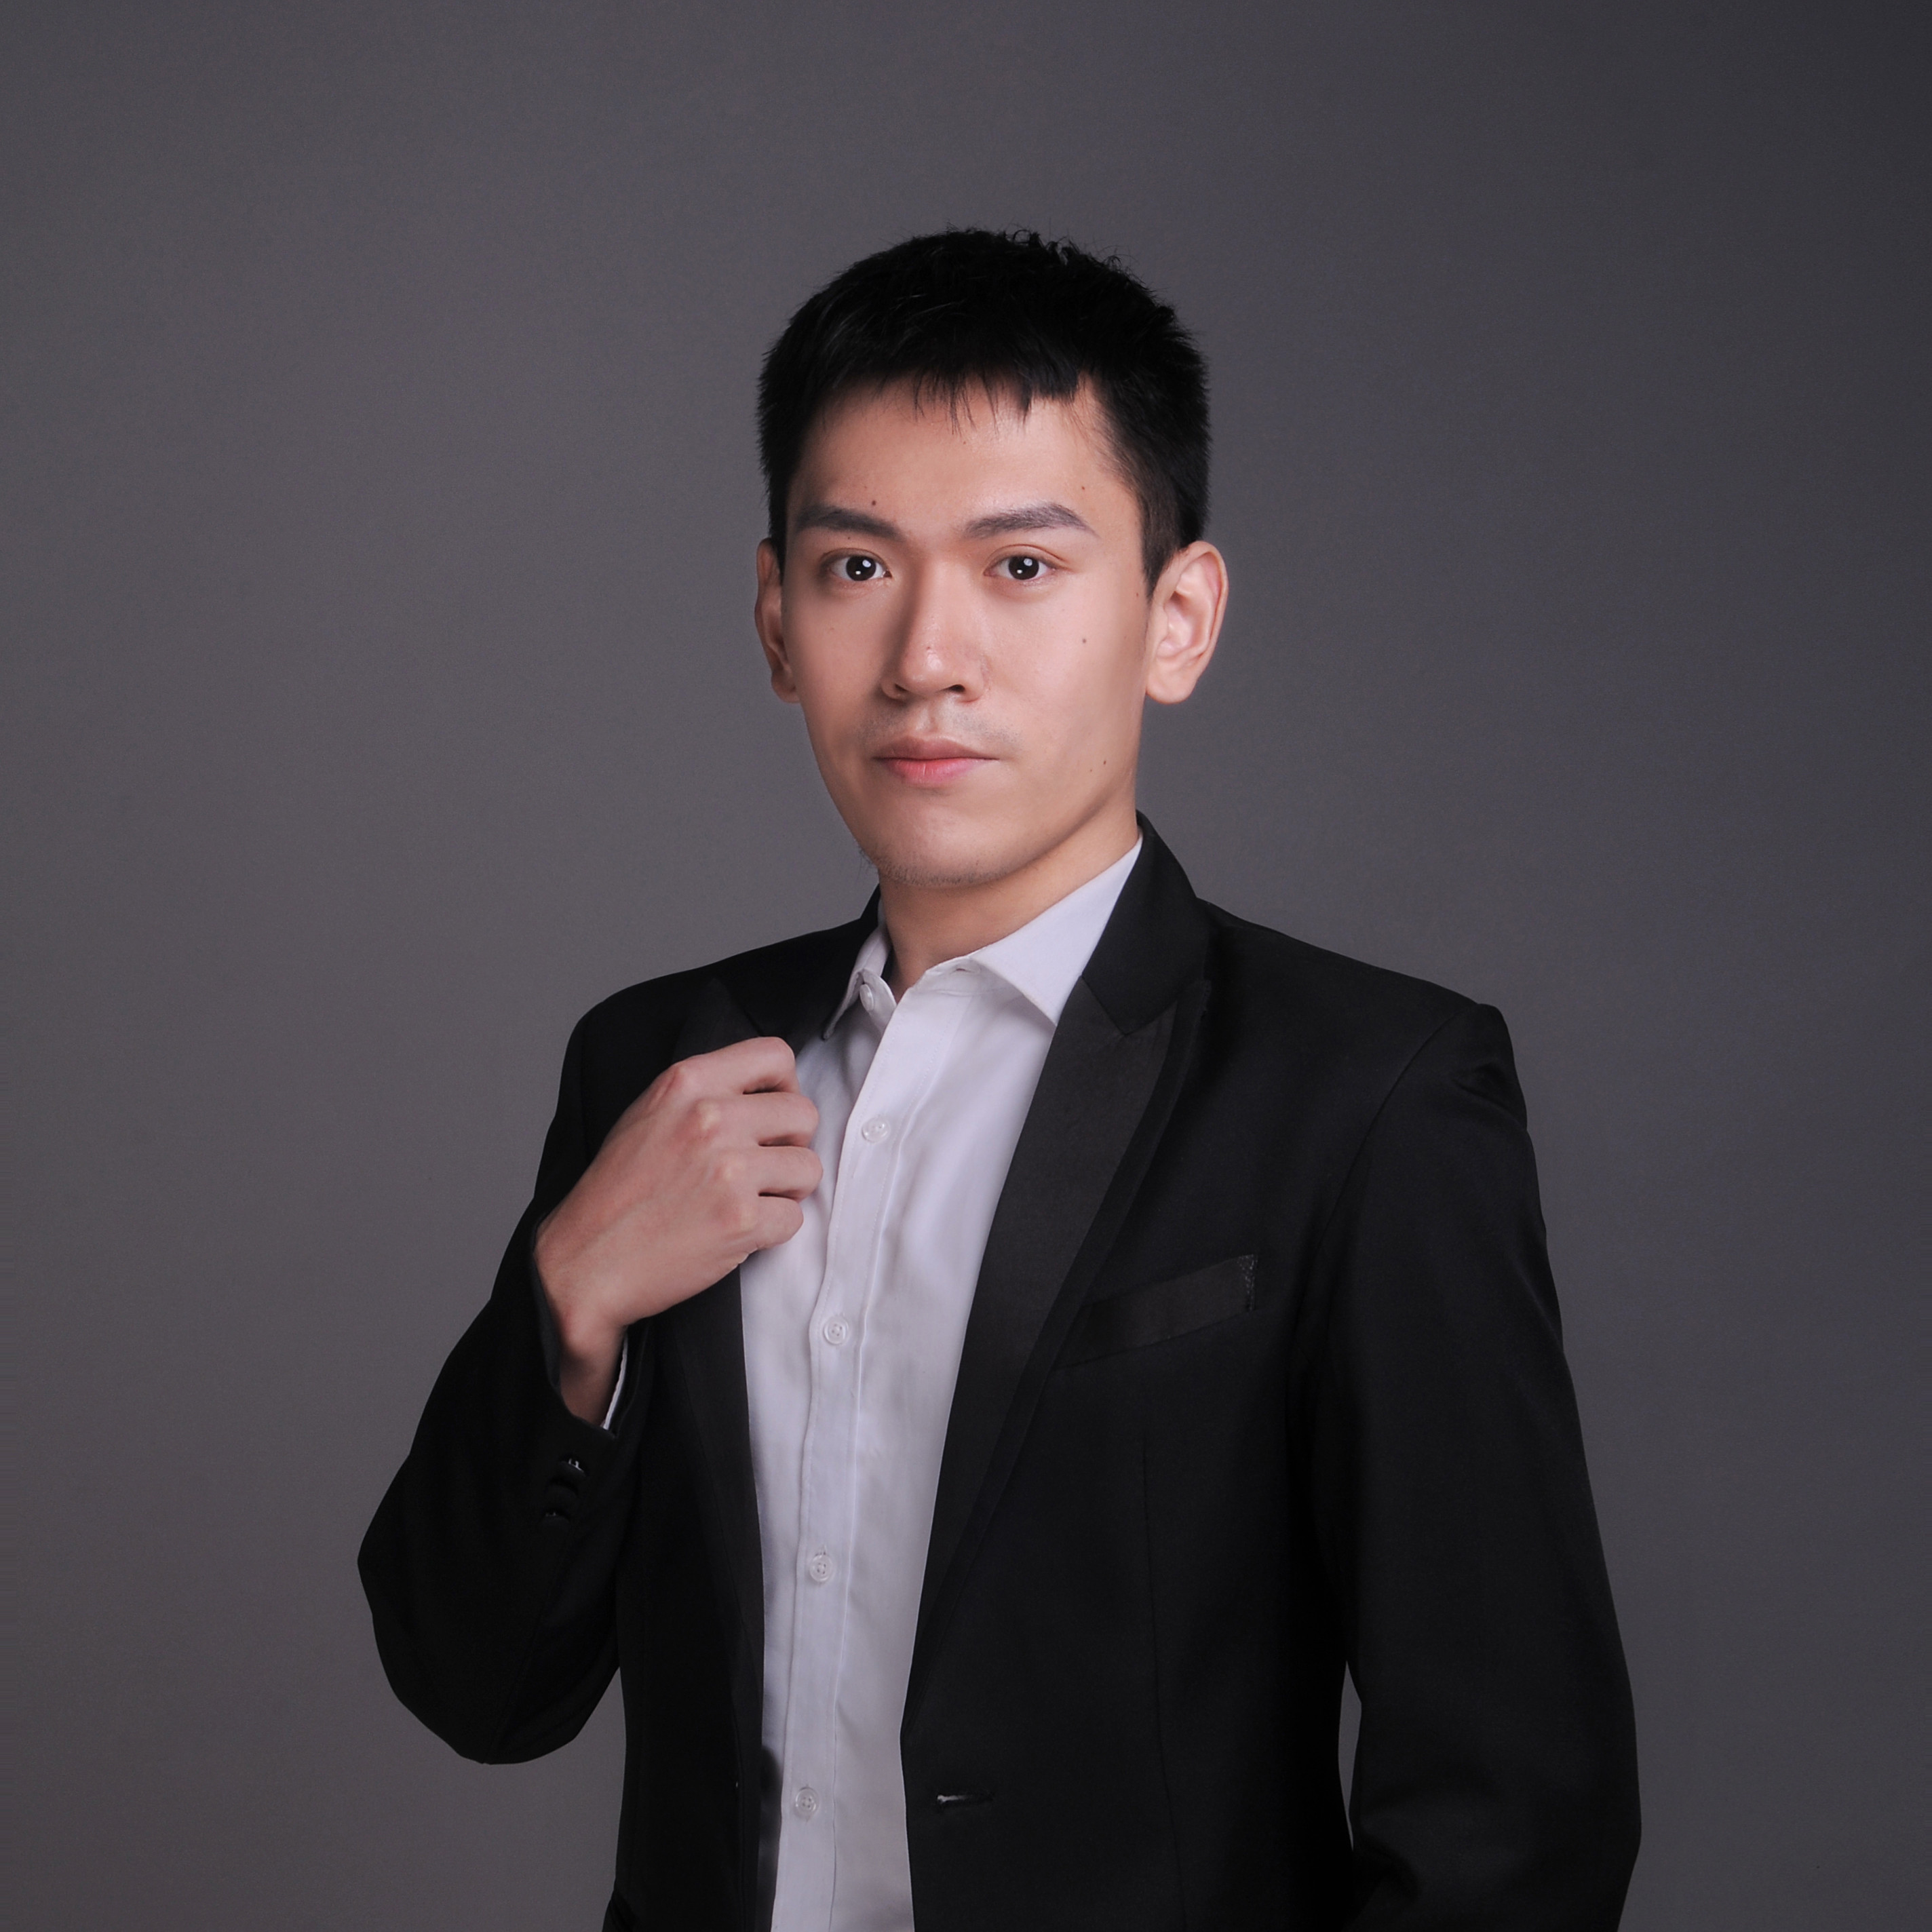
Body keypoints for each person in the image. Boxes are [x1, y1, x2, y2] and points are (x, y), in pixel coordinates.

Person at [360, 229, 1640, 1932]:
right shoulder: (660, 1061)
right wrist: (571, 1299)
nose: (924, 658)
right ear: (774, 618)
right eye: (855, 567)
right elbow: (475, 1683)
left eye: (1020, 566)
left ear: (1175, 618)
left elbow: (1512, 1816)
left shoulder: (1366, 1094)